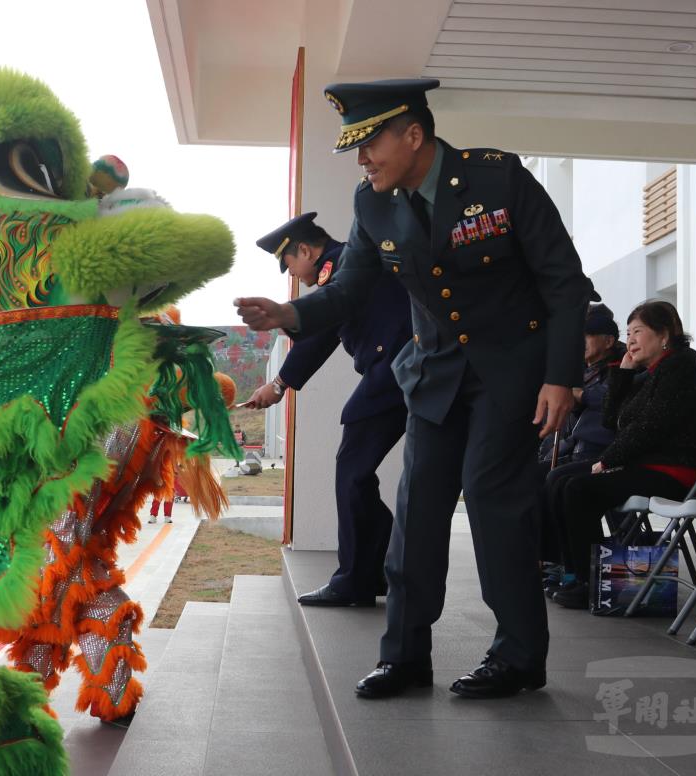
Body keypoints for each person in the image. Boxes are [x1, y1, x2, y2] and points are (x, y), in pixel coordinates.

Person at [235, 78, 594, 699]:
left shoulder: (498, 180)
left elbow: (564, 283)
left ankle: (518, 657)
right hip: (434, 374)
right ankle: (403, 657)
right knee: (417, 510)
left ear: (414, 135)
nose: (362, 159)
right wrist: (288, 316)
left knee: (490, 498)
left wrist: (560, 376)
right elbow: (347, 289)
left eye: (370, 143)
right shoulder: (372, 204)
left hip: (511, 372)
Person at [246, 213, 411, 606]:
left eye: (289, 263)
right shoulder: (340, 267)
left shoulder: (340, 267)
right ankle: (376, 569)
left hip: (393, 370)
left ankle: (355, 579)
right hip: (396, 368)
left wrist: (279, 384)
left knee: (352, 471)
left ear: (305, 250)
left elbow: (317, 333)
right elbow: (321, 336)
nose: (292, 273)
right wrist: (279, 385)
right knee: (356, 473)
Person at [551, 300, 696, 608]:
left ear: (664, 334)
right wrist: (623, 374)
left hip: (673, 471)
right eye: (629, 332)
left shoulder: (680, 367)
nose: (632, 339)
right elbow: (614, 421)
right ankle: (572, 574)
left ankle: (591, 581)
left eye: (638, 331)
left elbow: (648, 428)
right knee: (559, 479)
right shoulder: (653, 371)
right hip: (647, 466)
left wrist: (606, 460)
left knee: (578, 489)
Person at [539, 302, 626, 589]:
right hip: (577, 450)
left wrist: (581, 395)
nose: (581, 342)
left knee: (560, 482)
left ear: (608, 340)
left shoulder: (621, 365)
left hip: (603, 453)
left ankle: (571, 567)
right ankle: (550, 559)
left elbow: (615, 397)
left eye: (587, 335)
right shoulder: (584, 370)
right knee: (531, 476)